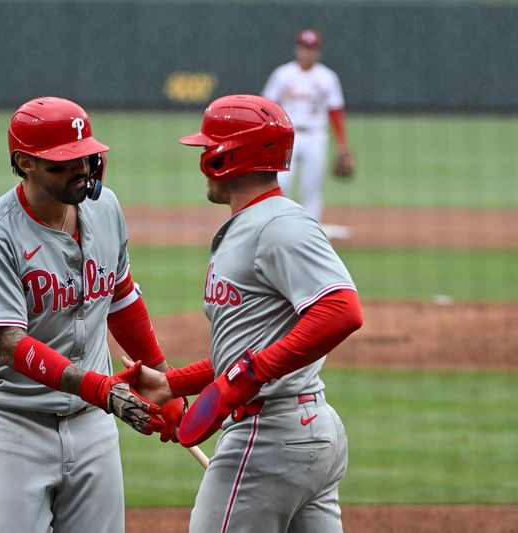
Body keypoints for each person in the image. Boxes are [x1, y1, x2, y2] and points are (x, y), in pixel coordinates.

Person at [126, 94, 363, 532]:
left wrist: (248, 376)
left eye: (206, 147)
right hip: (305, 430)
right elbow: (250, 347)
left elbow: (342, 310)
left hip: (268, 435)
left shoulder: (279, 225)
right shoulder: (258, 224)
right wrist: (172, 383)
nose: (201, 155)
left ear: (227, 156)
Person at [0, 96, 185, 532]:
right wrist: (101, 389)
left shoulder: (105, 208)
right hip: (13, 426)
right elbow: (9, 344)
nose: (81, 171)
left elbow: (122, 300)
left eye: (85, 157)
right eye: (61, 164)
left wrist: (166, 381)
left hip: (92, 426)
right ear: (24, 162)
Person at [262, 29, 355, 237]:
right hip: (287, 137)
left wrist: (342, 144)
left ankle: (310, 234)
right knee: (280, 183)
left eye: (311, 49)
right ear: (297, 49)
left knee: (311, 187)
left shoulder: (327, 77)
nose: (307, 53)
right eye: (304, 48)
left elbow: (336, 111)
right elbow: (267, 106)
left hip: (316, 136)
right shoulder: (282, 74)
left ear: (317, 52)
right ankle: (275, 227)